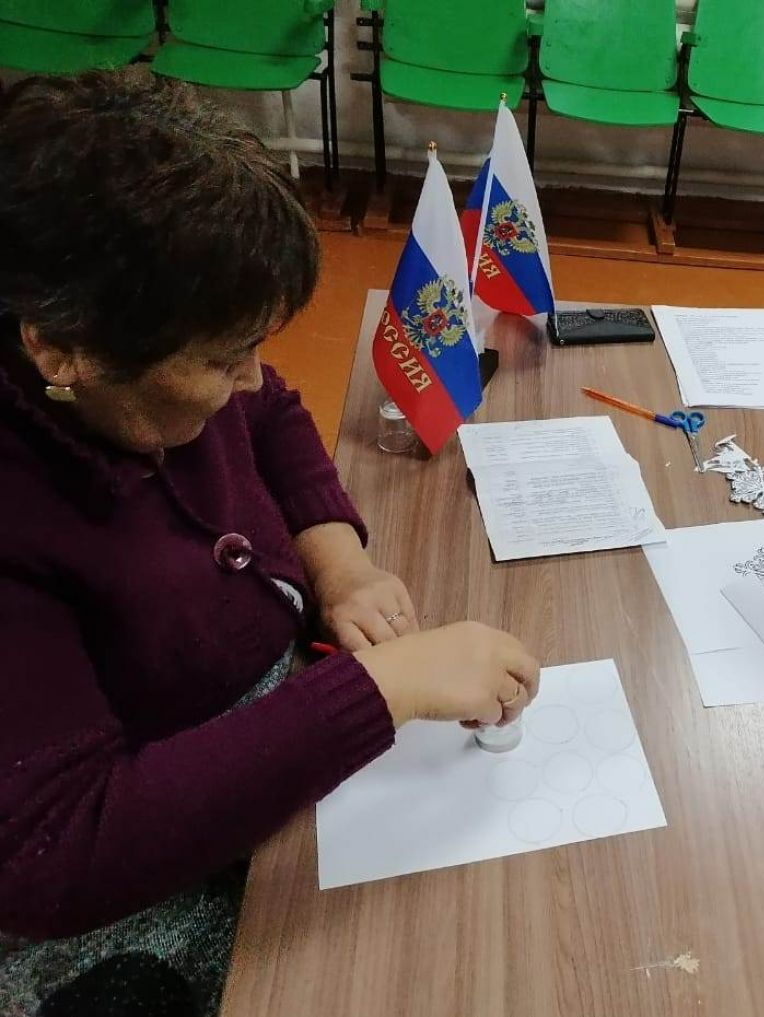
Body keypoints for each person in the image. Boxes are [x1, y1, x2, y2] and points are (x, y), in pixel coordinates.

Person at [0, 71, 540, 1015]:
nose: (251, 377)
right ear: (59, 349)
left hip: (275, 728)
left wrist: (341, 563)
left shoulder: (142, 364)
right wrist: (381, 689)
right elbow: (58, 852)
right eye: (222, 359)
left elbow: (271, 410)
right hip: (139, 879)